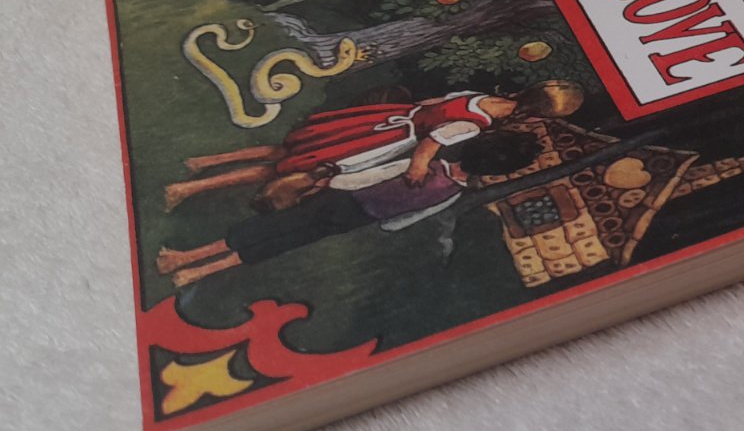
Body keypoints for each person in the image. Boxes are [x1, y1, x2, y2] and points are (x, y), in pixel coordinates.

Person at [157, 131, 544, 287]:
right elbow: (409, 218)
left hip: (342, 200)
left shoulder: (425, 167)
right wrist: (386, 224)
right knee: (282, 241)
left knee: (270, 230)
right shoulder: (452, 193)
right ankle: (194, 272)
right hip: (357, 218)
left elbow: (372, 175)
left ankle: (186, 260)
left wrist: (335, 182)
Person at [164, 80, 584, 210]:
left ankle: (205, 161)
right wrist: (417, 170)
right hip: (389, 139)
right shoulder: (477, 124)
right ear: (536, 114)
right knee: (296, 170)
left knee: (290, 149)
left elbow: (432, 103)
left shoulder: (482, 98)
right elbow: (430, 144)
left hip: (386, 120)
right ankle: (188, 189)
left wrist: (405, 117)